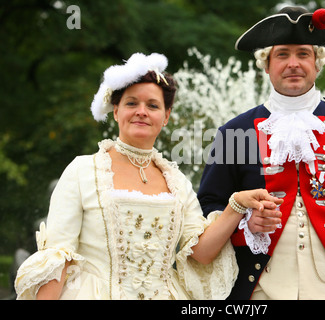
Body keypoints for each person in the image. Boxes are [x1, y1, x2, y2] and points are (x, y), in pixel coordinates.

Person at [14, 52, 280, 300]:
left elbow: (202, 253)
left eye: (152, 105)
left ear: (165, 117)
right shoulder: (82, 171)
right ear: (116, 111)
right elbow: (58, 259)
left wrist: (236, 204)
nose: (142, 111)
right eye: (132, 103)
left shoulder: (176, 182)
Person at [197, 6, 325, 300]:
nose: (293, 64)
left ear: (317, 63)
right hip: (257, 290)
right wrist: (245, 224)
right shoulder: (233, 132)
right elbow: (208, 207)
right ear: (265, 64)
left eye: (303, 54)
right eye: (282, 54)